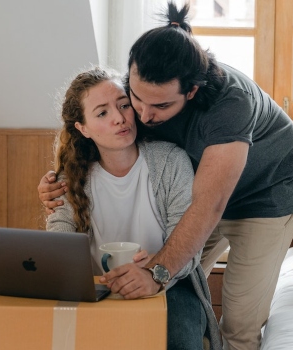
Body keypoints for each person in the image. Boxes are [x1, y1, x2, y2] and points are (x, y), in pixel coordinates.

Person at [39, 3, 293, 349]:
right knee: (184, 281)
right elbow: (95, 138)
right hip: (194, 191)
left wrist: (156, 273)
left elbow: (209, 205)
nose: (142, 115)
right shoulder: (140, 87)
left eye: (161, 106)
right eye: (134, 98)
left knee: (238, 323)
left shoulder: (230, 106)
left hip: (265, 195)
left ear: (191, 91)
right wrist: (55, 182)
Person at [44, 66, 222, 350]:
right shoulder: (71, 179)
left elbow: (190, 247)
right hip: (98, 289)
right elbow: (59, 242)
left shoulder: (171, 161)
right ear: (83, 128)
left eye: (124, 105)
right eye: (102, 113)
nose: (119, 118)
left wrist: (154, 271)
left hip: (170, 286)